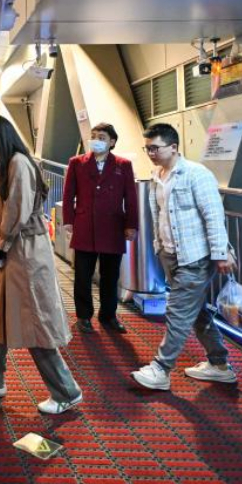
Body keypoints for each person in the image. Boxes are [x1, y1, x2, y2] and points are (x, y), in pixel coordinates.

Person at [0, 115, 82, 415]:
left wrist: (1, 247)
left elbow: (16, 211)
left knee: (33, 320)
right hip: (18, 251)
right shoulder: (13, 163)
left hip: (24, 253)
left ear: (1, 138)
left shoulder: (18, 164)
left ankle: (66, 391)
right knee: (1, 315)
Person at [131, 123, 237, 391]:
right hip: (170, 254)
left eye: (155, 148)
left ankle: (161, 369)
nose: (151, 153)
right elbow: (159, 215)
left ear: (174, 147)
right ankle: (219, 364)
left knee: (177, 312)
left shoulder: (196, 174)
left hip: (195, 257)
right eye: (147, 148)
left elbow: (213, 215)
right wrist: (158, 246)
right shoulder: (157, 175)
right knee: (196, 311)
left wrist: (221, 252)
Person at [62, 123, 138, 334]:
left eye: (101, 137)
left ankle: (108, 315)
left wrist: (131, 224)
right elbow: (68, 195)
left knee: (110, 276)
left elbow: (131, 198)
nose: (96, 140)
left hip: (113, 228)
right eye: (93, 136)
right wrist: (68, 220)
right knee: (82, 276)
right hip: (85, 226)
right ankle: (83, 316)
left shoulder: (123, 165)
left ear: (112, 142)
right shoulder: (77, 163)